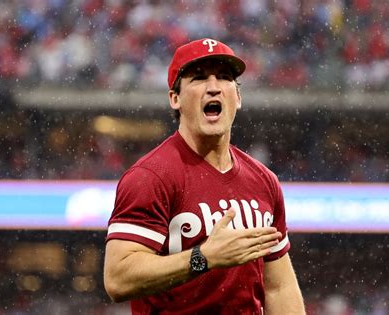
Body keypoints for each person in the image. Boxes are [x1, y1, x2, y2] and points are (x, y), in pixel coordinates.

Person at [104, 38, 305, 314]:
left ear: (238, 96)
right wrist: (203, 258)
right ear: (175, 99)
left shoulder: (264, 180)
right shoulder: (150, 176)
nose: (213, 87)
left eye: (224, 78)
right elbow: (118, 278)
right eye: (198, 78)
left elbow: (278, 287)